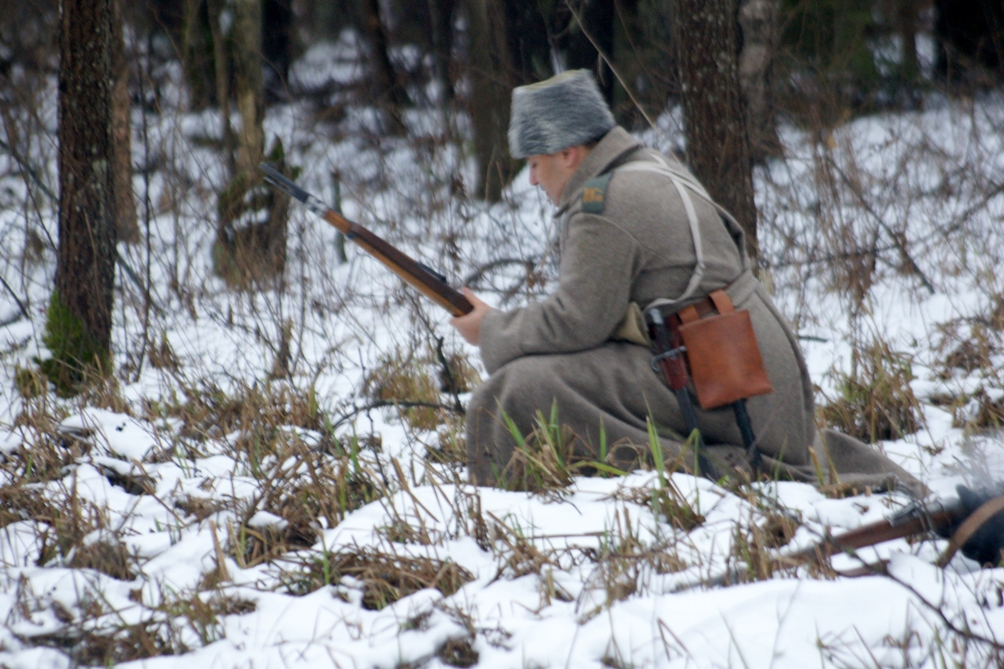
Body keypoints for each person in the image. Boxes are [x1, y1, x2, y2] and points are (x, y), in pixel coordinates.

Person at [450, 69, 921, 494]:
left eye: (534, 163)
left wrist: (489, 329)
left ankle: (513, 501)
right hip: (753, 373)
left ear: (569, 154)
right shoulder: (653, 166)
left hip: (729, 382)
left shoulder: (601, 202)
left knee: (516, 389)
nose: (531, 179)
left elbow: (577, 322)